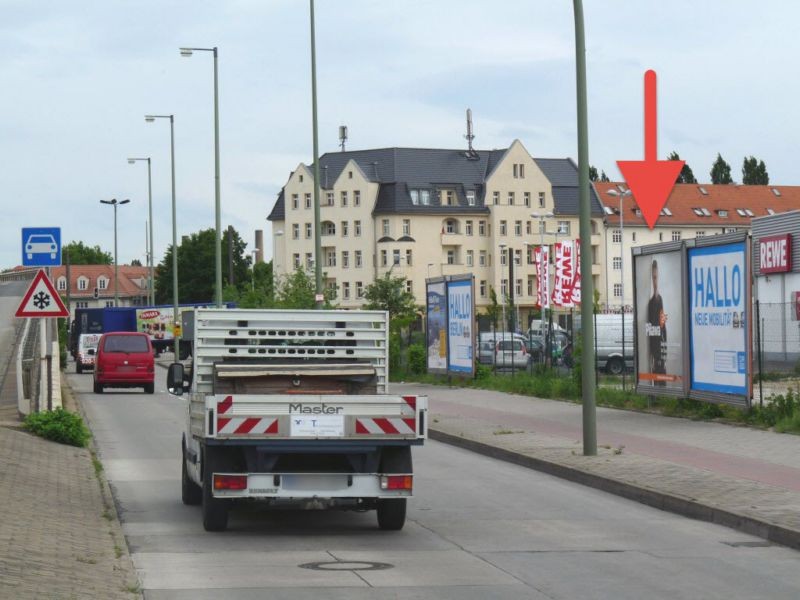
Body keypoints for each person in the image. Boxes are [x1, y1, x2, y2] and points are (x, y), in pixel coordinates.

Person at [646, 259, 667, 385]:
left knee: (661, 374)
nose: (655, 282)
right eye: (654, 278)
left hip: (660, 347)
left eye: (657, 278)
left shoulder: (660, 299)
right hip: (654, 349)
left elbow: (662, 323)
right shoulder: (651, 301)